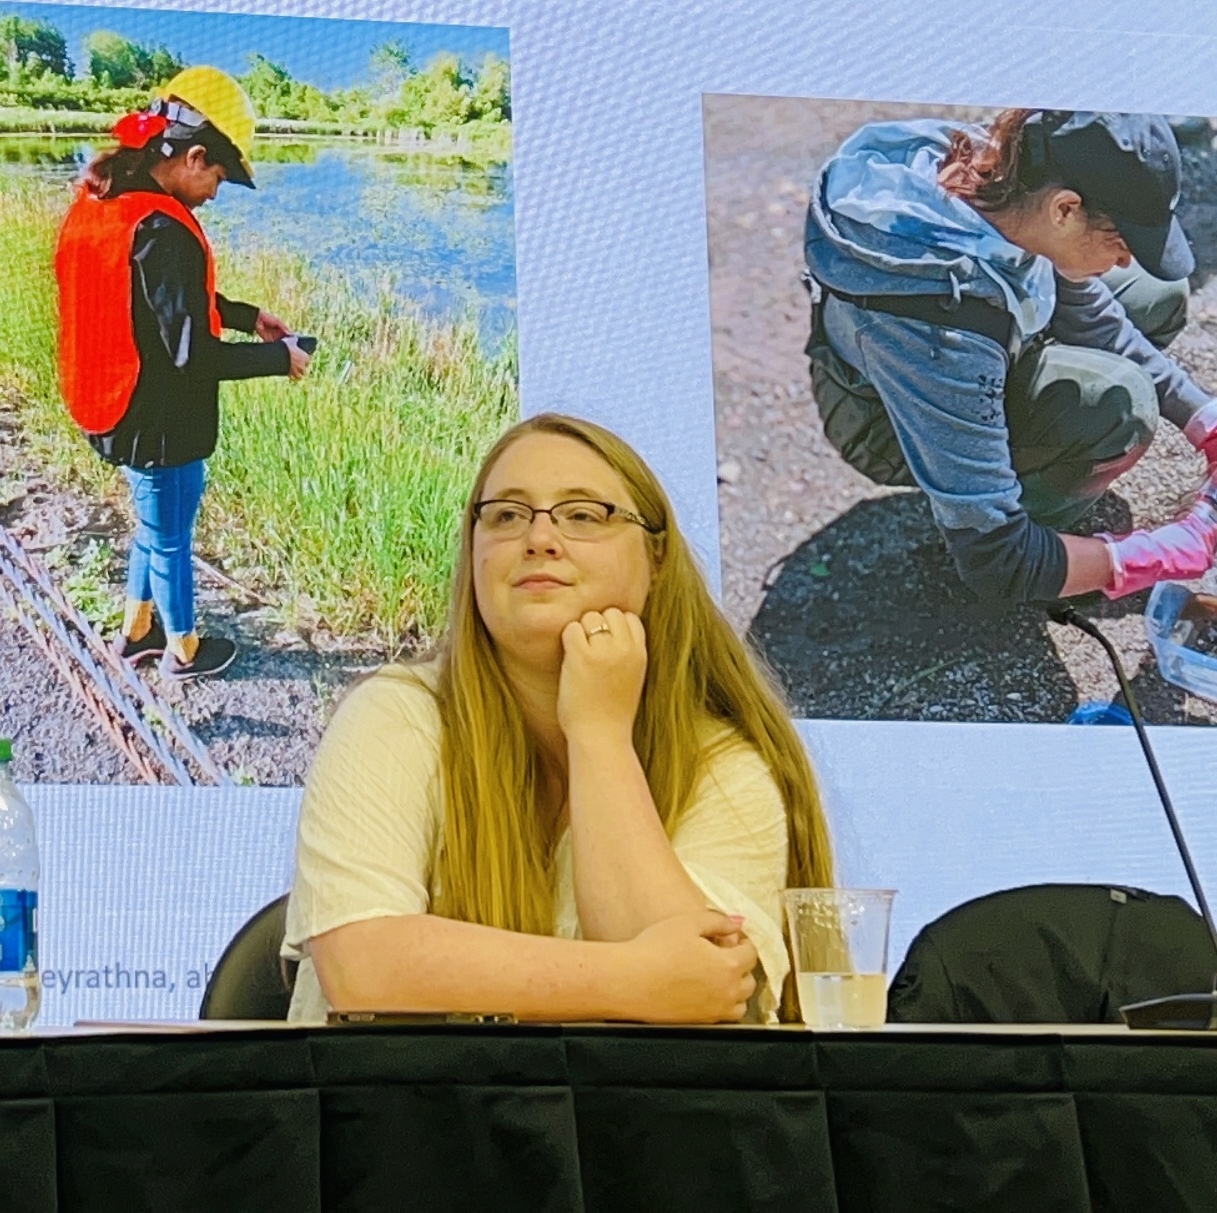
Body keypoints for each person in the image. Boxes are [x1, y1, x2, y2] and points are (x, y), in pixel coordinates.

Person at [284, 414, 834, 1024]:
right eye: (507, 515)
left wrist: (599, 735)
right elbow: (364, 970)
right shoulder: (395, 714)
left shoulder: (724, 764)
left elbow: (696, 1013)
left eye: (583, 515)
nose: (539, 538)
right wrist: (634, 980)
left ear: (656, 559)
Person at [803, 109, 1217, 606]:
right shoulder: (944, 330)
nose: (1126, 258)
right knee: (1119, 405)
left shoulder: (1015, 183)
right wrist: (1144, 556)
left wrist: (1208, 422)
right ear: (1065, 210)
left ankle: (1031, 474)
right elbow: (995, 560)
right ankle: (1029, 525)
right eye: (1120, 240)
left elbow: (1091, 318)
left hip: (973, 339)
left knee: (1158, 293)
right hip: (887, 420)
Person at [54, 65, 308, 680]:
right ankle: (183, 651)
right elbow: (195, 352)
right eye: (218, 176)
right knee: (169, 538)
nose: (216, 193)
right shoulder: (164, 230)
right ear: (194, 157)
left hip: (117, 400)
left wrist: (250, 318)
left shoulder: (115, 207)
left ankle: (136, 631)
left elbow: (167, 306)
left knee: (155, 524)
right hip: (157, 419)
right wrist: (281, 359)